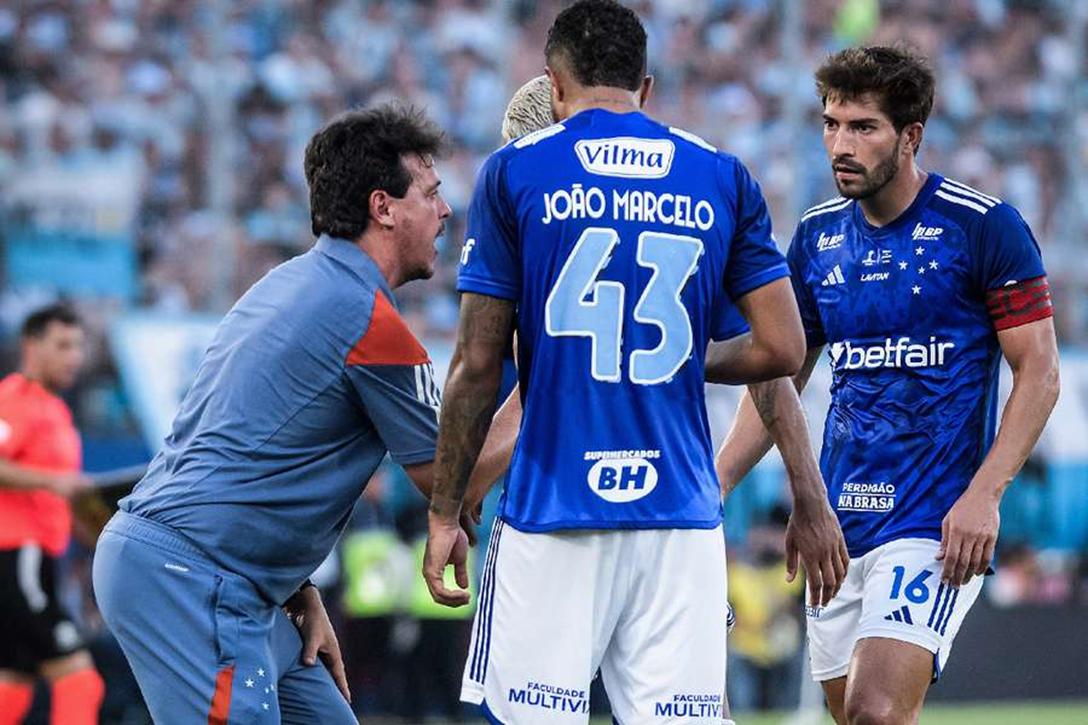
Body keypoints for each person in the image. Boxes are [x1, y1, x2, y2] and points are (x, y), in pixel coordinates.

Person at [423, 2, 845, 723]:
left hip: (556, 515)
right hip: (680, 519)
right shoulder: (719, 176)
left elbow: (475, 363)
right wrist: (807, 494)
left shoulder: (516, 171)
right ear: (645, 88)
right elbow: (782, 352)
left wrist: (444, 507)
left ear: (554, 87)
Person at [716, 46, 1060, 725]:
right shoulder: (815, 239)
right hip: (839, 528)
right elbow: (779, 377)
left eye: (863, 127)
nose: (840, 144)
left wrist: (984, 496)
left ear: (911, 135)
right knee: (853, 718)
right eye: (831, 124)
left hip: (932, 523)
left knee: (877, 712)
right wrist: (717, 480)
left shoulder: (981, 227)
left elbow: (1041, 372)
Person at [92, 104, 458, 724]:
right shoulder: (369, 322)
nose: (445, 211)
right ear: (384, 207)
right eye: (431, 192)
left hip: (231, 583)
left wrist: (297, 586)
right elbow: (453, 484)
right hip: (198, 579)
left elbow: (243, 450)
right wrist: (540, 379)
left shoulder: (286, 283)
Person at [0, 304, 104, 725]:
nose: (74, 356)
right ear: (31, 346)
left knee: (12, 684)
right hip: (14, 556)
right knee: (80, 680)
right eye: (63, 345)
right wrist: (52, 481)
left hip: (40, 561)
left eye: (79, 346)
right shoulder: (14, 398)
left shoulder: (57, 412)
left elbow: (62, 496)